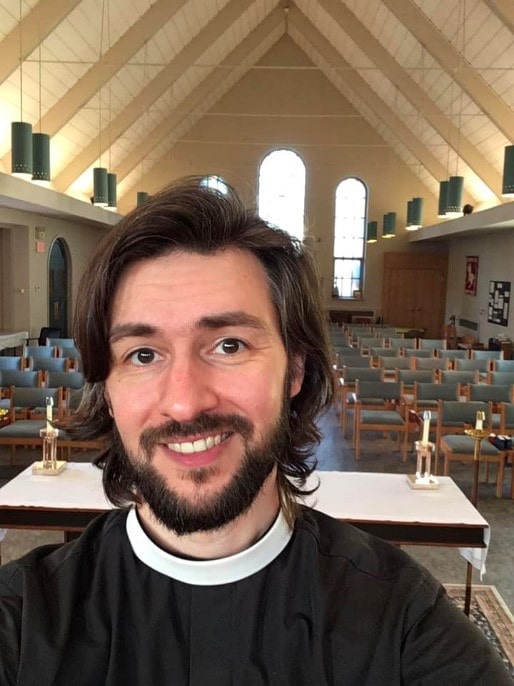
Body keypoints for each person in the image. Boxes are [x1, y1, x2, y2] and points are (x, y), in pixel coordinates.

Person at [0, 178, 512, 685]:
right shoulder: (21, 620)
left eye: (229, 346)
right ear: (106, 389)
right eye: (143, 354)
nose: (184, 401)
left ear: (294, 371)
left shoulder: (403, 624)